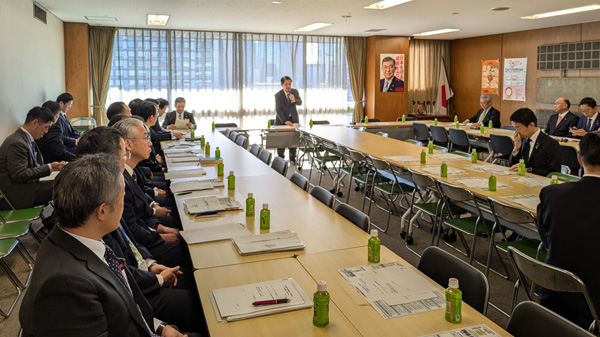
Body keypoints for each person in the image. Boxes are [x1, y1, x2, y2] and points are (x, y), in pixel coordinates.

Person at [18, 154, 188, 337]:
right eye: (122, 198)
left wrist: (160, 327)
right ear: (102, 211)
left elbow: (124, 306)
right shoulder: (65, 285)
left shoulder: (82, 238)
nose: (123, 205)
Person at [76, 128, 204, 334]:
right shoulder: (97, 208)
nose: (125, 159)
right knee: (202, 299)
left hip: (141, 280)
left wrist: (151, 266)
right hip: (140, 296)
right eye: (122, 155)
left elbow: (127, 248)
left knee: (198, 281)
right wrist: (161, 327)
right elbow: (118, 296)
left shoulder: (102, 203)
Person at [536, 132, 600, 330]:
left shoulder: (551, 193)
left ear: (580, 160)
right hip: (594, 304)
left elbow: (547, 239)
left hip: (553, 292)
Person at [0, 106, 65, 209]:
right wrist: (48, 167)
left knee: (63, 182)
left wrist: (51, 167)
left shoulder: (24, 138)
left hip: (28, 186)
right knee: (65, 187)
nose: (46, 131)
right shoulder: (17, 143)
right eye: (46, 127)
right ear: (35, 123)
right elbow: (20, 175)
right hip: (18, 194)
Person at [508, 108, 561, 176]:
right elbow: (512, 166)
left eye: (519, 128)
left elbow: (554, 173)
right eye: (515, 128)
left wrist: (529, 170)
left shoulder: (550, 143)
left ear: (531, 125)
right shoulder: (522, 139)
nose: (516, 132)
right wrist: (516, 149)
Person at [274, 76, 302, 164]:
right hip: (282, 121)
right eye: (286, 84)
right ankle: (281, 159)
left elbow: (300, 102)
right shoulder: (278, 95)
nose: (288, 86)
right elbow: (278, 109)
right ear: (282, 85)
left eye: (289, 84)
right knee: (281, 141)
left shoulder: (294, 92)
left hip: (293, 120)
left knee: (293, 140)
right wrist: (285, 121)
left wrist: (294, 100)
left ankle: (293, 159)